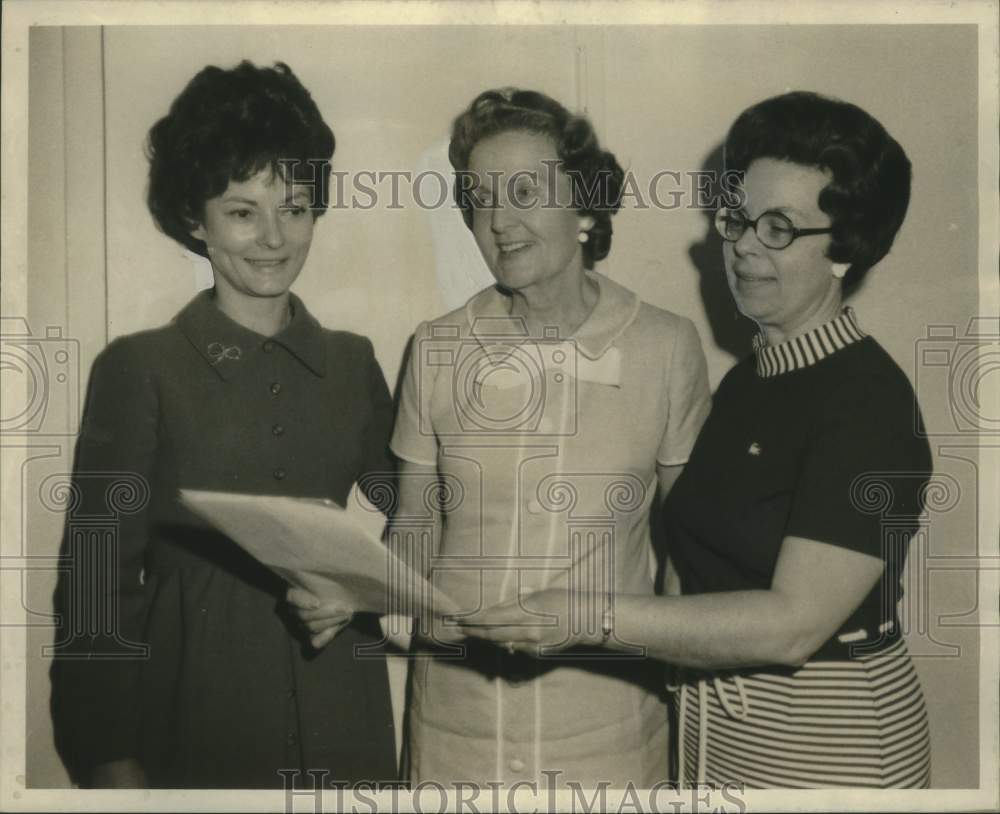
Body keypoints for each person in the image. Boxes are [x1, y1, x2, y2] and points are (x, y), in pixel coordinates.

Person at [463, 91, 934, 790]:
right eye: (739, 218)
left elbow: (792, 625)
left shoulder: (868, 400)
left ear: (845, 248)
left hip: (832, 748)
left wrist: (587, 617)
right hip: (720, 741)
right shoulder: (747, 385)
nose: (744, 244)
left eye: (779, 228)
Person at [293, 87, 712, 788]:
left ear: (584, 204)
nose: (499, 221)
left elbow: (687, 549)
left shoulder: (667, 347)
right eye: (481, 199)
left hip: (608, 732)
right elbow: (416, 526)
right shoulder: (437, 348)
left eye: (524, 191)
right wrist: (358, 589)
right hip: (458, 730)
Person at [50, 60, 398, 789]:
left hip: (348, 721)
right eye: (243, 211)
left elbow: (425, 521)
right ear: (193, 218)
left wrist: (367, 587)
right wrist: (110, 760)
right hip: (194, 723)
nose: (274, 238)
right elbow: (93, 585)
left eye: (295, 209)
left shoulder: (353, 362)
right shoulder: (137, 368)